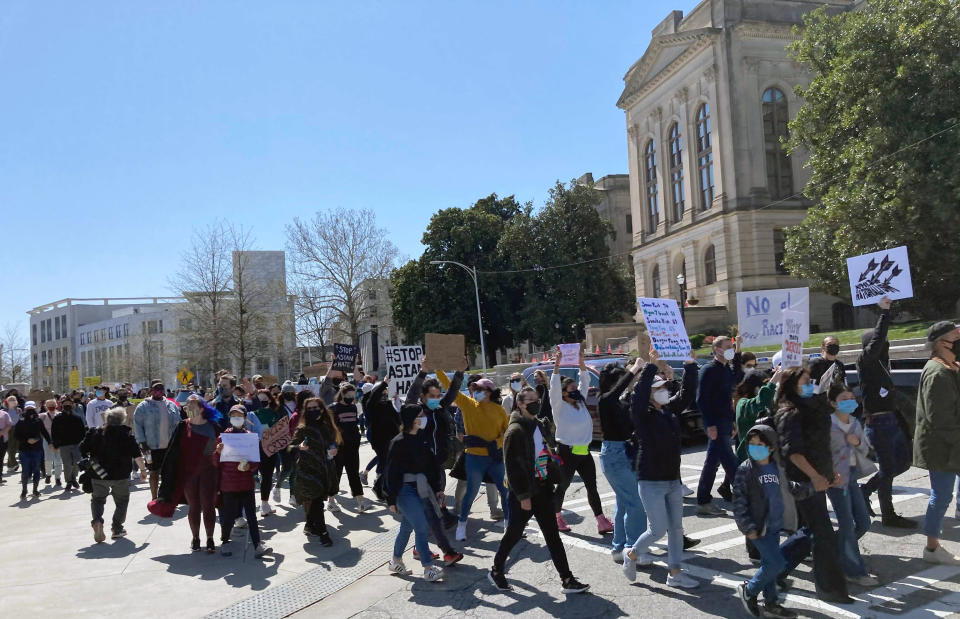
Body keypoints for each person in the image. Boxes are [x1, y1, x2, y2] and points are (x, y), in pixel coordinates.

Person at [489, 386, 590, 594]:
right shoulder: (515, 431)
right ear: (520, 403)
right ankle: (496, 570)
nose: (535, 403)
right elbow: (513, 466)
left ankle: (567, 579)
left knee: (553, 536)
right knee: (514, 534)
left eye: (537, 398)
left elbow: (545, 451)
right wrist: (523, 496)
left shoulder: (538, 425)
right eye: (530, 400)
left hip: (542, 488)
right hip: (524, 492)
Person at [621, 346, 699, 589]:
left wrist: (690, 366)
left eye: (665, 387)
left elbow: (686, 394)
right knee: (658, 530)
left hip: (672, 480)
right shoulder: (642, 415)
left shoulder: (668, 412)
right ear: (650, 394)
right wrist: (650, 367)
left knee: (676, 528)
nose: (665, 391)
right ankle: (632, 554)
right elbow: (638, 396)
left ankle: (674, 573)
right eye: (659, 389)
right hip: (651, 481)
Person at [775, 364, 851, 603]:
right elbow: (794, 453)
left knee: (811, 530)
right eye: (805, 381)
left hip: (818, 476)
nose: (810, 385)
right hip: (803, 480)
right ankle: (830, 589)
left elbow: (820, 446)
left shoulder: (811, 408)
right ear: (792, 385)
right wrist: (816, 477)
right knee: (823, 533)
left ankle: (774, 569)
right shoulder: (789, 412)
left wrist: (829, 474)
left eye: (811, 380)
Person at [734, 425, 812, 619]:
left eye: (759, 444)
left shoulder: (776, 468)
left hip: (775, 525)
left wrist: (812, 487)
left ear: (770, 448)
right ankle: (749, 590)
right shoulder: (746, 469)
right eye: (751, 444)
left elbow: (789, 488)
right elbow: (739, 502)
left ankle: (771, 603)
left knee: (769, 565)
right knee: (776, 564)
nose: (754, 448)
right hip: (758, 528)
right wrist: (747, 526)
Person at [858, 297, 917, 528]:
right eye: (880, 343)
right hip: (878, 424)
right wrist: (884, 313)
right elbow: (877, 341)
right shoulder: (866, 360)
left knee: (903, 463)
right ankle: (888, 514)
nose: (885, 346)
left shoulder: (883, 362)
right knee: (889, 468)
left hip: (891, 419)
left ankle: (867, 489)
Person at [437, 365, 510, 542]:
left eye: (480, 389)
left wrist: (496, 443)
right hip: (474, 458)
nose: (475, 390)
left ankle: (509, 524)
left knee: (505, 491)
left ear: (490, 392)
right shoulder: (467, 404)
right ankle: (461, 525)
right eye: (475, 388)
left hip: (494, 458)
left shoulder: (499, 410)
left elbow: (505, 433)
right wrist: (439, 368)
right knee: (471, 491)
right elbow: (449, 385)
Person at [405, 357, 465, 563]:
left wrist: (459, 373)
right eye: (431, 396)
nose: (436, 399)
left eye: (438, 396)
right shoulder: (416, 410)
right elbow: (410, 397)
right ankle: (438, 548)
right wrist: (422, 373)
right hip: (419, 466)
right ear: (423, 396)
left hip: (436, 463)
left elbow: (452, 394)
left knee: (431, 505)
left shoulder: (440, 408)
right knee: (429, 507)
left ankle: (417, 546)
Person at [551, 348, 614, 535]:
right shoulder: (558, 406)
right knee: (562, 486)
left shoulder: (580, 401)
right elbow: (553, 387)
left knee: (591, 486)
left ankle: (601, 521)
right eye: (571, 390)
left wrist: (581, 362)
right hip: (566, 451)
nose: (576, 391)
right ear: (563, 393)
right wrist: (556, 365)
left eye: (575, 389)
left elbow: (584, 380)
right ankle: (556, 518)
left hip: (583, 450)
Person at [914, 321, 960, 564]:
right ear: (941, 343)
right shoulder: (938, 373)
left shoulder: (948, 368)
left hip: (950, 443)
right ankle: (932, 548)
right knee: (941, 495)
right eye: (955, 337)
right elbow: (939, 418)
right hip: (943, 446)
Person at [385, 404, 445, 583]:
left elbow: (431, 466)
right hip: (404, 490)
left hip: (421, 488)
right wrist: (391, 498)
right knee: (421, 526)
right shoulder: (397, 442)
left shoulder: (422, 438)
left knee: (407, 526)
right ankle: (428, 568)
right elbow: (391, 472)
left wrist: (438, 488)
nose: (423, 417)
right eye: (420, 415)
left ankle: (395, 561)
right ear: (411, 419)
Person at [598, 357, 649, 562]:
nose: (625, 384)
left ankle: (619, 548)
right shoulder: (605, 400)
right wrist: (634, 369)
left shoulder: (622, 402)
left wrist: (643, 373)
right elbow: (614, 395)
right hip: (613, 453)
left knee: (624, 502)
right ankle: (634, 549)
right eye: (620, 381)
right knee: (636, 502)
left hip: (625, 451)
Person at [157, 394, 223, 553]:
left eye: (192, 407)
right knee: (194, 506)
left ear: (201, 409)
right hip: (189, 474)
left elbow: (217, 450)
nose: (188, 409)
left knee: (208, 506)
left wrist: (219, 450)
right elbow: (173, 452)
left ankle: (210, 538)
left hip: (209, 472)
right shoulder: (182, 426)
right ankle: (195, 538)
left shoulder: (213, 427)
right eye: (187, 407)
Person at [826, 383, 878, 584]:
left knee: (864, 522)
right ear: (832, 403)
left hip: (852, 476)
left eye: (851, 398)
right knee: (847, 524)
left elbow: (865, 448)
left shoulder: (855, 422)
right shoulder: (828, 424)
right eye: (843, 399)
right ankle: (854, 570)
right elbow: (821, 453)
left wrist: (858, 442)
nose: (849, 402)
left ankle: (835, 550)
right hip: (836, 480)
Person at [80, 407, 147, 542]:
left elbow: (82, 448)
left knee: (98, 500)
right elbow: (137, 455)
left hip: (98, 474)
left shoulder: (95, 432)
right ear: (122, 420)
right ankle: (117, 528)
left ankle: (97, 521)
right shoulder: (126, 434)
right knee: (122, 501)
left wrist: (90, 457)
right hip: (120, 475)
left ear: (107, 419)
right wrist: (143, 470)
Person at [696, 335, 744, 515]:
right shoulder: (708, 370)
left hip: (725, 422)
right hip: (715, 423)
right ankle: (744, 497)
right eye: (728, 346)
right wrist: (709, 424)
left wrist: (738, 348)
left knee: (712, 462)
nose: (730, 348)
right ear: (717, 350)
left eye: (731, 346)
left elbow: (737, 378)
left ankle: (703, 500)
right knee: (731, 463)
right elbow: (701, 400)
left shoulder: (726, 369)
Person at [214, 406, 271, 557]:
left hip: (246, 483)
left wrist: (249, 467)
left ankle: (258, 545)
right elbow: (215, 463)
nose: (236, 418)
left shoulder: (251, 437)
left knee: (252, 516)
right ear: (229, 418)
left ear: (245, 418)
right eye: (233, 415)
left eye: (239, 415)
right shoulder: (223, 438)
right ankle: (225, 542)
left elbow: (255, 462)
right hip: (228, 484)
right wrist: (217, 452)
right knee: (228, 516)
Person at [291, 397, 341, 546]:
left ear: (322, 409)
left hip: (325, 469)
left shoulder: (328, 427)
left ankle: (310, 524)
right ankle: (323, 533)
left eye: (316, 408)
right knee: (317, 500)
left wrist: (334, 449)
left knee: (316, 500)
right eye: (310, 408)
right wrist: (299, 447)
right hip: (307, 471)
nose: (313, 411)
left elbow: (334, 443)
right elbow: (289, 447)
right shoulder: (302, 428)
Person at [134, 381, 183, 500]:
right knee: (154, 473)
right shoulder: (143, 406)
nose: (159, 392)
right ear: (151, 391)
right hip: (151, 446)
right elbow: (137, 425)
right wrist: (142, 443)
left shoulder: (171, 405)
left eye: (161, 389)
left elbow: (180, 423)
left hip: (170, 446)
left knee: (169, 473)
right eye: (156, 389)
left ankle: (167, 496)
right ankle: (154, 498)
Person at [329, 382, 371, 513]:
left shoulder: (353, 408)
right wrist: (333, 445)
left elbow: (354, 425)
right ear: (342, 394)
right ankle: (330, 501)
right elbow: (330, 429)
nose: (352, 397)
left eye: (353, 395)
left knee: (353, 473)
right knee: (336, 474)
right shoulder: (333, 408)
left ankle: (360, 501)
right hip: (338, 447)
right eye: (349, 395)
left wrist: (357, 438)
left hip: (352, 446)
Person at [735, 368, 781, 462]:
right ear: (755, 388)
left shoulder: (765, 402)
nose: (765, 387)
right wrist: (772, 383)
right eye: (763, 386)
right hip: (750, 459)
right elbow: (760, 403)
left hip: (765, 458)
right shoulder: (742, 404)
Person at [253, 390, 282, 516]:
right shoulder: (251, 413)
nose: (261, 401)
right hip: (253, 448)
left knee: (267, 476)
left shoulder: (274, 413)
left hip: (269, 448)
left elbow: (279, 430)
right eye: (258, 399)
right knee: (253, 477)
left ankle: (264, 503)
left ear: (269, 399)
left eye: (264, 398)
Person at [16, 401, 51, 499]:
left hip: (37, 449)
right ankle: (24, 490)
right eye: (28, 409)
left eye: (32, 409)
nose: (30, 411)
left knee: (36, 469)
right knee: (25, 471)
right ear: (25, 409)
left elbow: (44, 432)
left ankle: (35, 489)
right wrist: (27, 440)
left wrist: (50, 442)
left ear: (35, 409)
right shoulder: (21, 420)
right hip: (24, 449)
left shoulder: (38, 420)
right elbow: (16, 435)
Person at [52, 398, 86, 491]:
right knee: (67, 464)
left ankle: (74, 478)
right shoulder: (57, 418)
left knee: (76, 463)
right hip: (64, 445)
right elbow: (54, 432)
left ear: (72, 405)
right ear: (62, 406)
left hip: (76, 444)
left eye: (69, 404)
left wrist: (81, 442)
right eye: (65, 404)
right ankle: (69, 481)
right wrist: (55, 443)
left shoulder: (77, 417)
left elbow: (83, 431)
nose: (67, 406)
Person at [39, 399, 63, 486]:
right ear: (46, 406)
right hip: (47, 439)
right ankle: (48, 475)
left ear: (56, 405)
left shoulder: (60, 415)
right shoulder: (43, 416)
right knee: (48, 458)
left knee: (58, 459)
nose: (51, 406)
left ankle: (58, 477)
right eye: (49, 405)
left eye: (53, 404)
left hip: (58, 440)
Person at [4, 394, 20, 473]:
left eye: (14, 400)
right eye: (11, 400)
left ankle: (10, 466)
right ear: (7, 402)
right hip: (8, 429)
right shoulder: (4, 411)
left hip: (17, 429)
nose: (13, 401)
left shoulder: (19, 410)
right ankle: (14, 463)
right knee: (9, 447)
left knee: (15, 447)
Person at [0, 404, 11, 485]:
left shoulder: (4, 414)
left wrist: (2, 432)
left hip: (2, 438)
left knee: (1, 458)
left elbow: (9, 424)